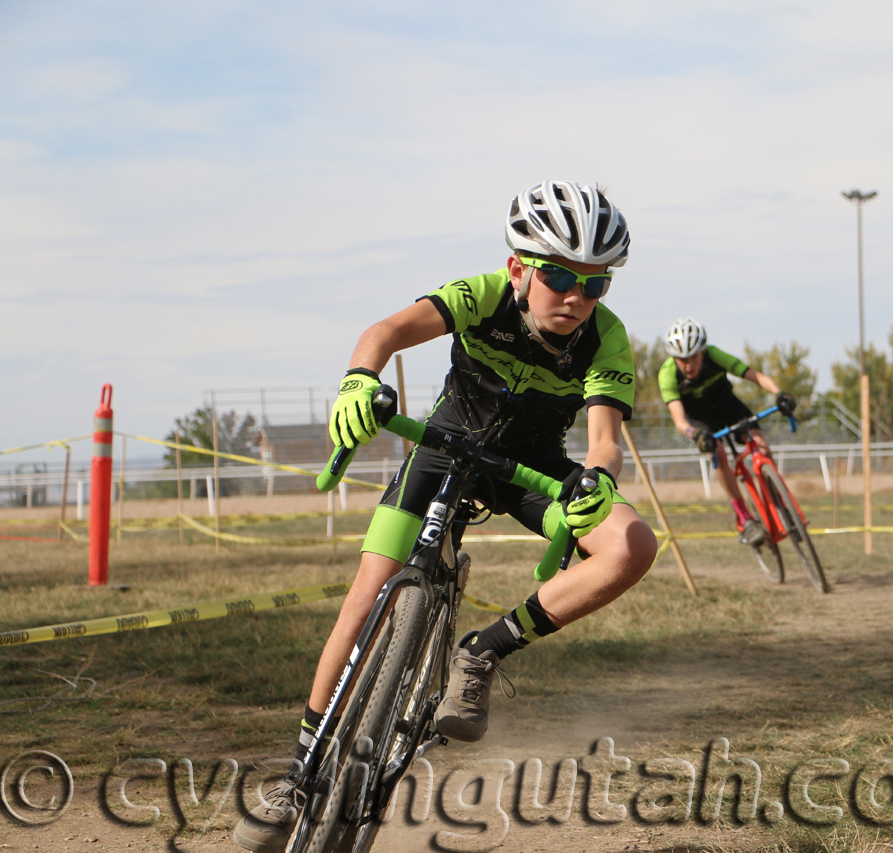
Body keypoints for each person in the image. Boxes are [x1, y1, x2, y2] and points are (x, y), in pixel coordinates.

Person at [234, 180, 658, 853]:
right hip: (444, 445)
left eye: (595, 283)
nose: (576, 295)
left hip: (532, 468)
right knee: (364, 596)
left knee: (632, 543)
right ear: (520, 267)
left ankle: (483, 650)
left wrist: (599, 477)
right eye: (558, 275)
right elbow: (386, 332)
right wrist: (359, 379)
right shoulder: (482, 293)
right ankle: (297, 774)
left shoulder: (604, 339)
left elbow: (604, 437)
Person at [658, 318, 795, 547]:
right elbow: (679, 420)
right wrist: (695, 434)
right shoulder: (667, 374)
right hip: (701, 418)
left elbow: (755, 375)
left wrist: (779, 393)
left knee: (760, 444)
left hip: (726, 404)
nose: (689, 365)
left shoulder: (714, 355)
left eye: (694, 357)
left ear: (702, 351)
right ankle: (744, 518)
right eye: (682, 359)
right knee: (718, 453)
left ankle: (777, 502)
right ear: (674, 358)